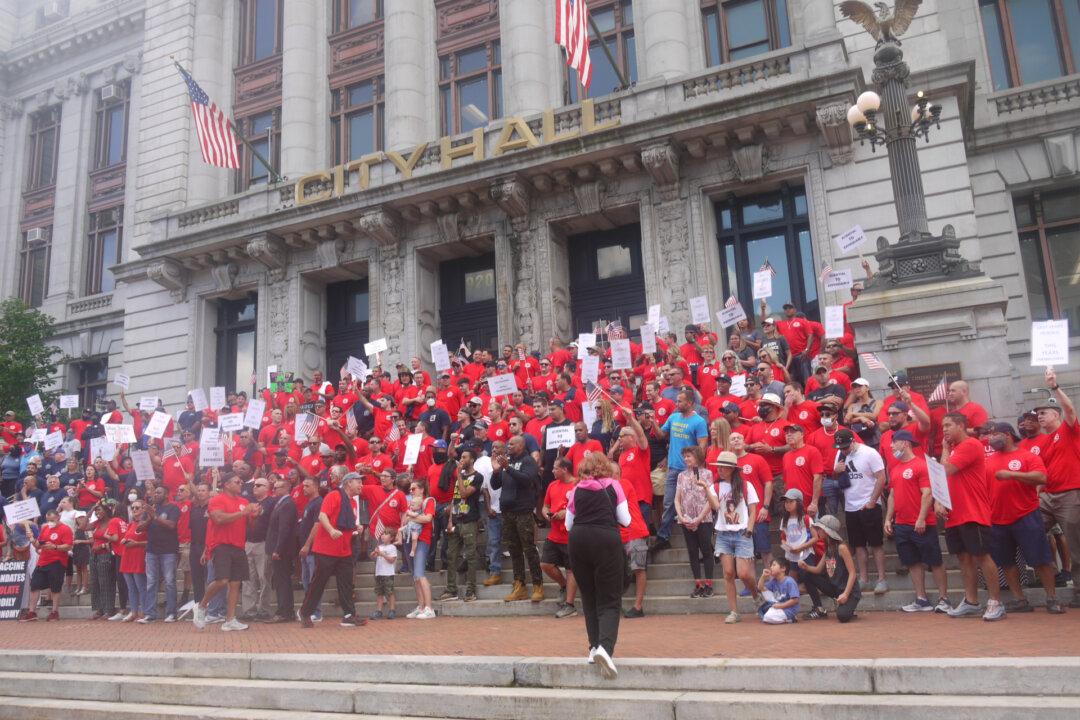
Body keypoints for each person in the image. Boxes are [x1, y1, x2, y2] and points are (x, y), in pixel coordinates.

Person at [985, 422, 1064, 614]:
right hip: (997, 519)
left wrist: (1012, 474)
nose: (990, 437)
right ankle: (1020, 600)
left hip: (1026, 516)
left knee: (1041, 559)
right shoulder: (987, 461)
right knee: (1007, 562)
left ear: (1007, 434)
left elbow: (1042, 478)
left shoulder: (1027, 456)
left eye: (994, 433)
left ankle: (1052, 598)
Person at [565, 454, 630, 680]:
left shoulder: (576, 490)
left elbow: (568, 524)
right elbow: (626, 519)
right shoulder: (613, 485)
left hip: (578, 540)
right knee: (610, 599)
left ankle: (593, 648)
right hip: (606, 539)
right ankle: (605, 648)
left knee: (589, 597)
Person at [939, 412, 1004, 621]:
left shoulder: (970, 445)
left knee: (982, 555)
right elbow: (944, 478)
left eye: (948, 425)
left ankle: (996, 602)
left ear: (961, 425)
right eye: (942, 427)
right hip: (955, 514)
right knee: (963, 557)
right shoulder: (956, 449)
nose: (944, 430)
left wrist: (945, 449)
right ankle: (971, 601)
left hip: (972, 512)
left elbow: (945, 470)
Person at [884, 430, 951, 613]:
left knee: (934, 561)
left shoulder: (921, 465)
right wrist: (889, 518)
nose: (891, 446)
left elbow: (927, 493)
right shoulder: (895, 468)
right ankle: (921, 599)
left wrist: (921, 518)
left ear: (904, 443)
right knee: (912, 561)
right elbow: (892, 495)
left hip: (922, 523)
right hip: (902, 523)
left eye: (894, 442)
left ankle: (944, 598)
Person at [1033, 368, 1080, 607]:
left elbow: (1070, 409)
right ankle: (1048, 573)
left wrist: (1054, 386)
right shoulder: (1043, 441)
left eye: (1044, 413)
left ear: (1056, 415)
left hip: (1070, 493)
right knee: (1030, 530)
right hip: (1047, 496)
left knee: (1076, 543)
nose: (1039, 417)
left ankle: (1079, 590)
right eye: (1037, 414)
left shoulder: (1068, 430)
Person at [298, 472, 366, 628]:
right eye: (358, 482)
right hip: (326, 549)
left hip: (344, 549)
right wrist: (331, 531)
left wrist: (356, 528)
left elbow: (344, 523)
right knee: (318, 583)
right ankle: (305, 612)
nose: (361, 485)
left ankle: (349, 615)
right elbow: (322, 516)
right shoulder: (334, 495)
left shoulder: (352, 502)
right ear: (348, 483)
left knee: (346, 583)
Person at [194, 474, 261, 631]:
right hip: (221, 545)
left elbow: (250, 525)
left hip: (239, 546)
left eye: (241, 481)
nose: (241, 483)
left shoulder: (244, 502)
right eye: (237, 482)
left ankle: (230, 619)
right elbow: (219, 519)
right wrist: (243, 513)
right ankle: (202, 606)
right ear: (227, 485)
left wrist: (255, 516)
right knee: (222, 580)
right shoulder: (216, 500)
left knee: (235, 583)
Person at [651, 390, 709, 554]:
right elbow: (661, 435)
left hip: (689, 469)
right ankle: (663, 537)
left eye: (680, 401)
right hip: (673, 467)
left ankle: (704, 543)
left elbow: (702, 446)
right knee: (669, 503)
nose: (676, 404)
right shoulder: (673, 417)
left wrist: (696, 467)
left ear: (690, 403)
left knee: (694, 505)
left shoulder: (698, 421)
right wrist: (653, 422)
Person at [831, 429, 888, 595]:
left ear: (853, 441)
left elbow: (881, 477)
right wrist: (837, 471)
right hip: (851, 505)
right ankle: (864, 578)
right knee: (858, 544)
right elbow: (836, 478)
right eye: (841, 447)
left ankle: (882, 578)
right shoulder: (840, 454)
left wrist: (872, 501)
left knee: (876, 543)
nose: (844, 450)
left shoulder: (869, 453)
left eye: (846, 446)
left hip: (868, 503)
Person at [708, 451, 761, 623]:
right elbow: (716, 507)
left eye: (724, 467)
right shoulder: (714, 487)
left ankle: (756, 595)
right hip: (723, 533)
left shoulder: (746, 486)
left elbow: (753, 510)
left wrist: (750, 530)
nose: (720, 470)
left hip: (742, 532)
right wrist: (704, 488)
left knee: (744, 573)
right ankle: (734, 611)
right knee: (728, 573)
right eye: (719, 467)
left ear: (732, 469)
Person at [491, 435, 543, 602]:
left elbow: (527, 480)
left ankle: (537, 585)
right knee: (514, 551)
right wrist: (496, 470)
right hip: (507, 513)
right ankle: (519, 585)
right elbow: (495, 485)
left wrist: (508, 468)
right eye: (508, 444)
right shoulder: (507, 462)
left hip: (523, 512)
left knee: (529, 549)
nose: (509, 446)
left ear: (521, 445)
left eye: (512, 444)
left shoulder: (528, 461)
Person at [439, 449, 482, 602]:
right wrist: (450, 519)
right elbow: (455, 499)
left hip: (469, 520)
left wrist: (458, 474)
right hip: (456, 520)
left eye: (464, 457)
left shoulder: (477, 477)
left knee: (470, 556)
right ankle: (451, 590)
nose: (461, 460)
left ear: (472, 459)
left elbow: (464, 494)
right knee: (451, 556)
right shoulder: (460, 476)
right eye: (461, 457)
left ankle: (471, 591)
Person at [799, 515, 860, 622]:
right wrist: (806, 567)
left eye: (820, 529)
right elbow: (818, 570)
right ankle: (819, 608)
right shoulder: (828, 548)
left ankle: (848, 606)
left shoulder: (842, 548)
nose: (818, 531)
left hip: (849, 591)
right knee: (807, 574)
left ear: (827, 531)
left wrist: (846, 594)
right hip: (835, 588)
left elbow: (852, 573)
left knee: (842, 616)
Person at [675, 445, 716, 598]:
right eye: (685, 456)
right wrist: (680, 516)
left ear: (697, 457)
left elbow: (710, 499)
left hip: (704, 519)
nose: (686, 459)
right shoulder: (681, 476)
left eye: (689, 456)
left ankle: (709, 585)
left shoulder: (707, 474)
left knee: (706, 551)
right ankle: (698, 584)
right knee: (692, 552)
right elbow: (677, 499)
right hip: (686, 520)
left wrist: (699, 518)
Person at [542, 458, 579, 618]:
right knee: (545, 564)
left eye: (555, 468)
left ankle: (570, 605)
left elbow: (581, 505)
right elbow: (545, 506)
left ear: (565, 469)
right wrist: (546, 514)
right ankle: (564, 586)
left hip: (571, 535)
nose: (552, 471)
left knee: (571, 570)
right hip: (554, 534)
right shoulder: (552, 485)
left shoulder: (577, 484)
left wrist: (567, 513)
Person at [21, 509, 73, 622]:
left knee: (55, 587)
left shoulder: (65, 529)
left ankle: (55, 612)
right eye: (48, 520)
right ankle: (32, 612)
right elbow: (38, 545)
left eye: (52, 520)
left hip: (57, 561)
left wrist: (55, 547)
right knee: (34, 585)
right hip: (43, 561)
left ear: (58, 517)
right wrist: (31, 538)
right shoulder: (45, 528)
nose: (50, 522)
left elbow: (69, 546)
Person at [143, 486, 181, 623]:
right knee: (151, 582)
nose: (155, 494)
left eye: (158, 492)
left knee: (170, 581)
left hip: (168, 550)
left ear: (166, 495)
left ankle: (171, 613)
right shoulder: (151, 509)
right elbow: (139, 528)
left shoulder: (173, 508)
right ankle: (149, 614)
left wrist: (155, 517)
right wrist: (149, 517)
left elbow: (171, 525)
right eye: (155, 492)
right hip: (151, 550)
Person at [240, 477, 274, 622]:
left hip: (263, 543)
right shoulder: (249, 503)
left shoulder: (271, 502)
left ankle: (264, 609)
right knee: (247, 578)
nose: (255, 487)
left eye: (259, 485)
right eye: (254, 485)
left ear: (267, 488)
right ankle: (249, 610)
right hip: (248, 543)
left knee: (264, 577)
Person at [264, 478, 298, 623]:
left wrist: (278, 549)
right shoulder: (282, 503)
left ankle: (284, 612)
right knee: (281, 580)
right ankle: (286, 611)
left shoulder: (287, 504)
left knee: (282, 581)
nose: (274, 490)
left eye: (277, 488)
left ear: (285, 488)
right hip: (280, 548)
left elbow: (284, 529)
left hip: (282, 550)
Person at [403, 478, 436, 620]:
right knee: (415, 576)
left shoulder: (428, 501)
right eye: (410, 489)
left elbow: (428, 519)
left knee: (420, 573)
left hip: (423, 539)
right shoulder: (412, 504)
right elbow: (404, 520)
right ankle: (421, 606)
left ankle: (429, 607)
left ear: (422, 489)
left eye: (414, 488)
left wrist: (411, 519)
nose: (411, 491)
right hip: (411, 538)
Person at [119, 502, 149, 623]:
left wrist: (136, 543)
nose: (134, 510)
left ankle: (144, 610)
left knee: (140, 586)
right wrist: (125, 540)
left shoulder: (147, 524)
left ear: (143, 509)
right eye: (133, 508)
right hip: (127, 556)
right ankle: (133, 611)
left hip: (138, 556)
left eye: (137, 507)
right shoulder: (131, 524)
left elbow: (150, 541)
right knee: (130, 587)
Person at [756, 558, 800, 624]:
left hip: (789, 609)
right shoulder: (774, 581)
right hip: (778, 604)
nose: (771, 567)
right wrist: (763, 577)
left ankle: (790, 619)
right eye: (771, 566)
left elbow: (795, 600)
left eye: (774, 565)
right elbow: (760, 588)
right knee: (764, 591)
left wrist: (780, 606)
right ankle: (774, 611)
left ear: (783, 568)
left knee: (767, 618)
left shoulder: (789, 581)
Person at [370, 528, 399, 619]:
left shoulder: (392, 547)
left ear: (391, 538)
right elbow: (372, 556)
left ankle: (392, 610)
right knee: (379, 593)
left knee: (390, 592)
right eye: (382, 534)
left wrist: (382, 554)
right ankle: (379, 611)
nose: (383, 536)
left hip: (388, 573)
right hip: (379, 573)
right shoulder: (380, 546)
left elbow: (392, 560)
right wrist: (375, 552)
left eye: (386, 534)